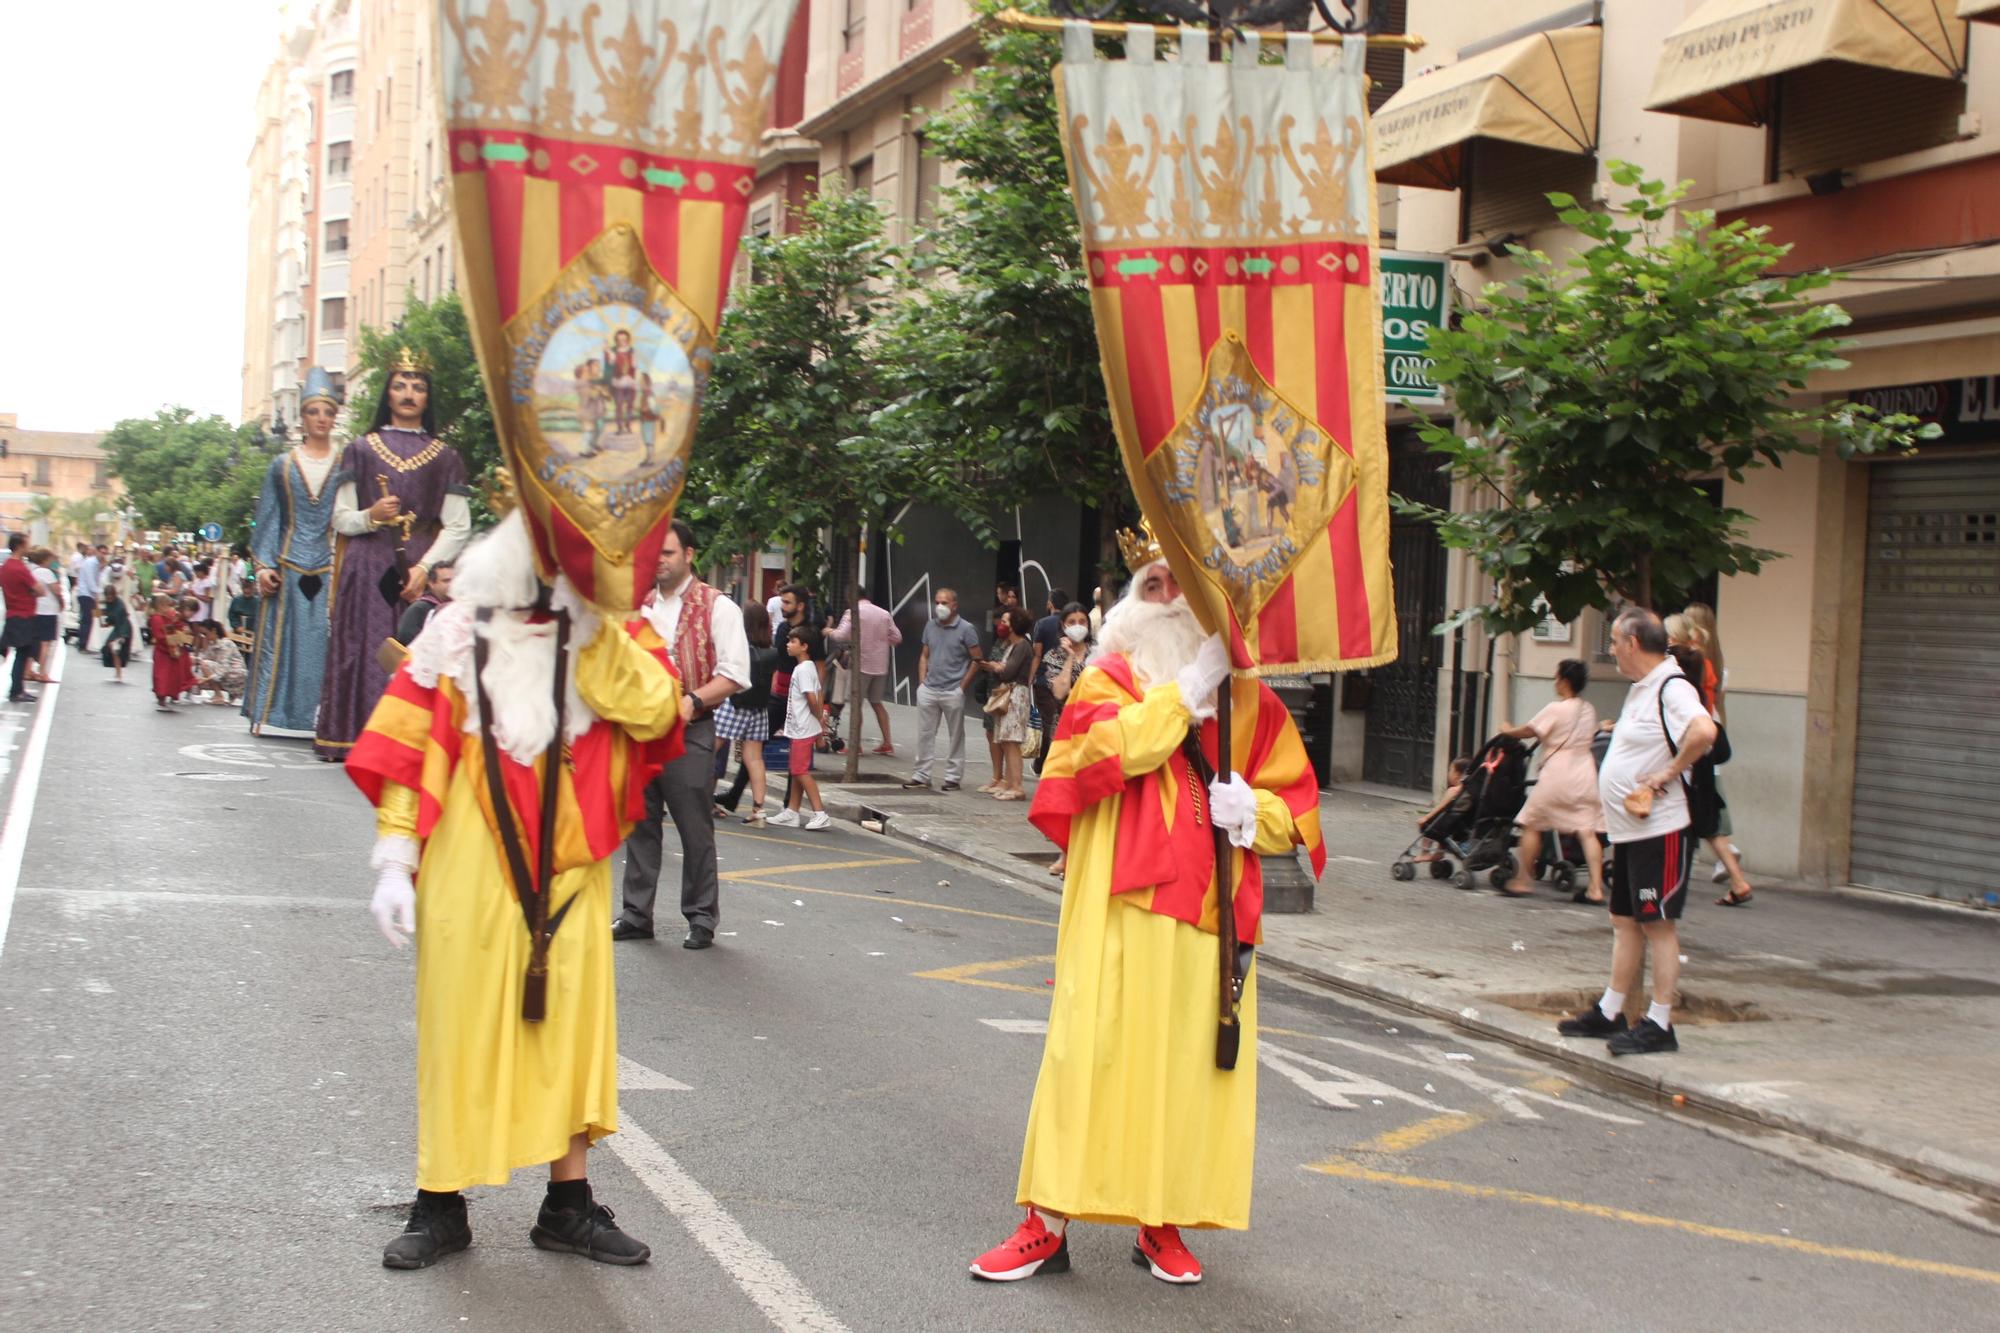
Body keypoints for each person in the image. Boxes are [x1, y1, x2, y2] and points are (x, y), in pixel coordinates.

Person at [969, 544, 1324, 1285]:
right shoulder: (1110, 677)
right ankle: (1046, 1223)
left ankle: (1159, 1222)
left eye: (1178, 584)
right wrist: (1185, 692)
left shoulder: (1250, 700)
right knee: (1084, 1053)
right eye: (1151, 583)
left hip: (1208, 919)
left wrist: (1251, 813)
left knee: (1184, 1072)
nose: (1164, 596)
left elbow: (1302, 812)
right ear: (1131, 603)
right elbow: (1087, 759)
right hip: (1116, 908)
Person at [346, 509, 684, 1271]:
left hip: (569, 870)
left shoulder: (613, 634)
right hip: (468, 865)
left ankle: (567, 1205)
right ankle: (441, 1202)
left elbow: (657, 708)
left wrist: (591, 627)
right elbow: (403, 749)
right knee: (458, 1027)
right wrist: (396, 859)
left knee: (567, 1031)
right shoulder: (454, 631)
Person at [1558, 609, 1717, 1058]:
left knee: (1657, 925)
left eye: (1613, 641)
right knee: (1624, 920)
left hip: (1660, 830)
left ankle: (1659, 1023)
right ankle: (1610, 1012)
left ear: (1632, 643)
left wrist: (1664, 775)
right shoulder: (1643, 689)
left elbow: (1704, 731)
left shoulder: (1673, 686)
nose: (1610, 650)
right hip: (1631, 832)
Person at [318, 350, 472, 762]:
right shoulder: (360, 450)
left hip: (420, 563)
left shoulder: (446, 456)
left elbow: (458, 525)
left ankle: (410, 743)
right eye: (400, 385)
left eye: (418, 387)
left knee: (418, 648)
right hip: (366, 565)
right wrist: (370, 516)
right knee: (363, 648)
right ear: (387, 393)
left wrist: (426, 568)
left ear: (428, 397)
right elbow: (340, 518)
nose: (409, 394)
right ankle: (356, 736)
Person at [614, 521, 749, 950]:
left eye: (667, 553)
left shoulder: (717, 606)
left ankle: (702, 917)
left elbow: (734, 673)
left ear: (689, 554)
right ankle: (636, 913)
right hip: (639, 732)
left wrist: (693, 700)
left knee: (694, 826)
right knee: (640, 823)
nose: (659, 561)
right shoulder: (640, 605)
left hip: (690, 730)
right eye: (653, 553)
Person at [245, 368, 341, 738]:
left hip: (331, 566)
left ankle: (324, 717)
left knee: (326, 643)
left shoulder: (347, 465)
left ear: (335, 417)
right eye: (314, 411)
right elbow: (268, 518)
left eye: (328, 412)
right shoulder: (281, 466)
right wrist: (263, 566)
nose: (321, 419)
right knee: (280, 643)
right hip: (286, 566)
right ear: (302, 417)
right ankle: (268, 712)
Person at [1500, 659, 1607, 904]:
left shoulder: (1556, 708)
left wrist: (1507, 729)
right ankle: (1595, 888)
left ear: (1565, 681)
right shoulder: (1588, 709)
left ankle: (1523, 880)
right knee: (1587, 830)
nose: (1555, 682)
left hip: (1558, 773)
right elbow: (1592, 733)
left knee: (1532, 823)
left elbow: (1529, 731)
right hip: (1584, 773)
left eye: (1557, 678)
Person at [1680, 603, 1751, 898]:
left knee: (1706, 812)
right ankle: (1729, 868)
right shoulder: (1718, 664)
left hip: (1697, 741)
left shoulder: (1691, 664)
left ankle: (1733, 869)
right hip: (1712, 734)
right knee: (1705, 808)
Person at [902, 588, 982, 792]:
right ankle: (921, 775)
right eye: (937, 602)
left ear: (955, 605)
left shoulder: (966, 629)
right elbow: (924, 654)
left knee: (956, 735)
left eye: (944, 603)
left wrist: (961, 687)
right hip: (929, 688)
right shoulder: (930, 625)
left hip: (952, 690)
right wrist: (922, 682)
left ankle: (953, 777)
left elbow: (977, 659)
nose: (940, 606)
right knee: (925, 733)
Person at [713, 601, 781, 825]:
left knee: (707, 750)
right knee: (755, 759)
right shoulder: (773, 652)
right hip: (759, 710)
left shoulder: (741, 648)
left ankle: (701, 800)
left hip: (734, 704)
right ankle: (759, 810)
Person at [766, 625, 832, 831]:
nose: (788, 645)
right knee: (795, 770)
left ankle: (820, 813)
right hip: (801, 727)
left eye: (793, 642)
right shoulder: (809, 667)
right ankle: (792, 811)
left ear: (804, 646)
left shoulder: (803, 669)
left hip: (803, 728)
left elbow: (812, 697)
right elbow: (819, 693)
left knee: (799, 770)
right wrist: (818, 720)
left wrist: (817, 716)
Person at [824, 585, 903, 754]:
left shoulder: (852, 613)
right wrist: (880, 641)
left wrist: (829, 631)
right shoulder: (883, 613)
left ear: (850, 597)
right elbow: (897, 637)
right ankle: (887, 742)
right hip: (880, 665)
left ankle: (855, 746)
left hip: (861, 665)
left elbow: (841, 635)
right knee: (877, 703)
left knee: (855, 705)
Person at [978, 607, 1035, 800]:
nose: (1002, 625)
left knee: (1012, 742)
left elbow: (1009, 671)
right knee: (1006, 741)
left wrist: (996, 666)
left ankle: (1017, 786)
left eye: (1006, 621)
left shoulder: (1022, 646)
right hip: (1010, 694)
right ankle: (1010, 784)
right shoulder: (1013, 645)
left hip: (1016, 695)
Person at [1033, 600, 1087, 779]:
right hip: (1065, 727)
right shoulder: (1055, 655)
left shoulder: (1099, 651)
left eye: (1082, 621)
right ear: (1063, 625)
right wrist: (1070, 657)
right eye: (1072, 622)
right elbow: (1059, 692)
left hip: (1093, 726)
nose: (1078, 626)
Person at [1, 535, 43, 703]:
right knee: (23, 653)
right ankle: (17, 690)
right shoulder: (20, 568)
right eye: (27, 544)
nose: (29, 546)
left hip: (12, 614)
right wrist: (30, 592)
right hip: (24, 615)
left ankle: (17, 688)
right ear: (19, 546)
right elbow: (40, 590)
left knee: (16, 652)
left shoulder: (5, 567)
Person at [396, 560, 456, 645]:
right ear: (431, 583)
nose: (451, 585)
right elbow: (406, 637)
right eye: (446, 581)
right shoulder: (420, 608)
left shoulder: (458, 608)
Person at [28, 548, 64, 684]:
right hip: (48, 611)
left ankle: (29, 670)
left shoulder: (34, 571)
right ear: (44, 560)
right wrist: (61, 601)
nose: (52, 562)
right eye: (50, 559)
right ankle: (43, 672)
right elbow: (56, 590)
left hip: (37, 610)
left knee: (35, 641)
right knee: (46, 644)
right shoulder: (46, 572)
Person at [148, 594, 189, 711]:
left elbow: (174, 627)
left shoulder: (166, 617)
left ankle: (171, 693)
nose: (170, 609)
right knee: (162, 675)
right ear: (161, 606)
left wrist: (182, 631)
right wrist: (176, 638)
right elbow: (161, 636)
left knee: (172, 674)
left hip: (170, 649)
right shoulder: (156, 618)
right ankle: (162, 696)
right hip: (163, 650)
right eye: (167, 606)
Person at [192, 620, 248, 705]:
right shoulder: (213, 644)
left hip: (236, 674)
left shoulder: (225, 644)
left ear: (213, 631)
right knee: (203, 665)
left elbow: (223, 668)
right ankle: (220, 694)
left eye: (205, 634)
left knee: (205, 665)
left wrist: (206, 679)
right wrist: (194, 660)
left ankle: (218, 694)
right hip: (228, 672)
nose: (205, 637)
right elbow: (205, 657)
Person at [98, 573, 134, 683]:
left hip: (124, 628)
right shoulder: (112, 603)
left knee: (115, 649)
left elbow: (122, 621)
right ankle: (118, 673)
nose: (109, 599)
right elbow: (111, 617)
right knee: (112, 649)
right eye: (107, 597)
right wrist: (106, 621)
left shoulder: (120, 607)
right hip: (119, 627)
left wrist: (122, 636)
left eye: (110, 597)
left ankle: (118, 674)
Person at [73, 541, 102, 654]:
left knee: (95, 618)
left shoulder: (96, 564)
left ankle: (90, 642)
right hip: (87, 595)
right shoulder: (91, 563)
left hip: (92, 595)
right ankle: (83, 644)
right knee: (88, 619)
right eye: (101, 552)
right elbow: (91, 581)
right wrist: (98, 593)